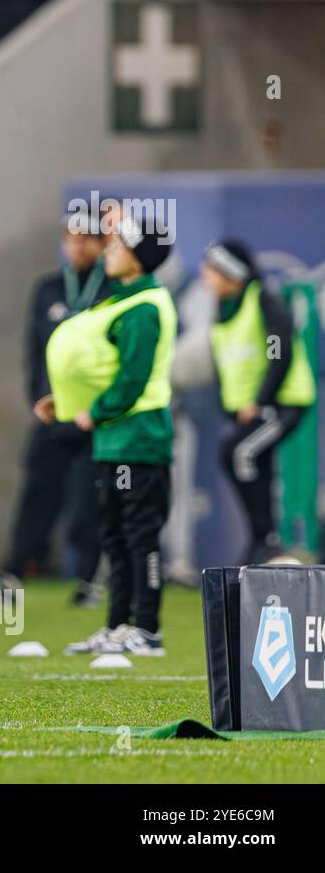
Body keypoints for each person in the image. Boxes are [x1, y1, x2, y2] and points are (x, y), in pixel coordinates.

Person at [40, 213, 176, 657]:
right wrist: (65, 402)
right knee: (114, 536)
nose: (107, 252)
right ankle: (118, 624)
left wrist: (93, 413)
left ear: (137, 259)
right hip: (114, 440)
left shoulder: (145, 307)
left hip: (139, 439)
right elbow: (99, 364)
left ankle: (148, 629)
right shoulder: (122, 300)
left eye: (117, 246)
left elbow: (132, 379)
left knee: (141, 536)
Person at [5, 212, 111, 603]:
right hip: (53, 413)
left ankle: (88, 581)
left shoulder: (111, 290)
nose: (78, 247)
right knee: (37, 492)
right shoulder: (49, 288)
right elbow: (34, 350)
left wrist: (101, 408)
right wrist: (37, 399)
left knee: (88, 501)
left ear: (101, 245)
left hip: (93, 418)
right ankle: (15, 571)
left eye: (87, 239)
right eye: (71, 239)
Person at [202, 240, 317, 564]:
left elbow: (278, 351)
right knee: (251, 460)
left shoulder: (262, 299)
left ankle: (265, 539)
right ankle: (261, 543)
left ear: (231, 273)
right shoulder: (223, 309)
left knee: (239, 451)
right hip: (249, 409)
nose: (205, 278)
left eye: (211, 271)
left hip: (282, 403)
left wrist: (260, 400)